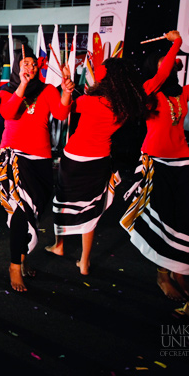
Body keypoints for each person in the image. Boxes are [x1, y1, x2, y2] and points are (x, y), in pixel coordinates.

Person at [121, 24, 189, 301]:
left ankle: (180, 271)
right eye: (164, 61)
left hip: (183, 162)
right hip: (156, 161)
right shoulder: (148, 90)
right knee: (166, 218)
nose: (169, 64)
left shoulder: (180, 93)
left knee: (187, 216)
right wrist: (177, 43)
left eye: (170, 60)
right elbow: (161, 73)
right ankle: (162, 274)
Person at [46, 57, 147, 275]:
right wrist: (68, 80)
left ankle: (59, 245)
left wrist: (66, 83)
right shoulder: (124, 106)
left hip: (75, 159)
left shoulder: (91, 101)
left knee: (62, 201)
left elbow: (63, 112)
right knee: (91, 208)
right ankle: (84, 261)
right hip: (100, 160)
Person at [0, 53, 74, 291]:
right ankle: (13, 265)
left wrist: (67, 91)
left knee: (35, 210)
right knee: (21, 210)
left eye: (32, 64)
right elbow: (8, 113)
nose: (29, 66)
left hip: (41, 157)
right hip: (15, 157)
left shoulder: (48, 90)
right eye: (24, 64)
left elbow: (61, 114)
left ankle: (22, 259)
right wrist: (22, 83)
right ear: (17, 68)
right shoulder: (6, 90)